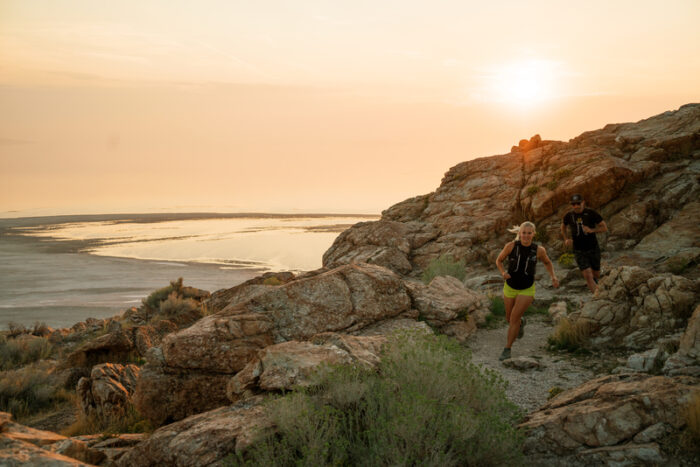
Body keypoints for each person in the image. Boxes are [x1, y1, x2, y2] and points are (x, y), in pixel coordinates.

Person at [495, 221, 559, 361]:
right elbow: (499, 261)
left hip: (527, 289)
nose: (526, 236)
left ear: (533, 234)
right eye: (523, 233)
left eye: (529, 233)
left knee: (513, 319)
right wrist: (503, 272)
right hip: (510, 286)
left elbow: (547, 262)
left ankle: (507, 348)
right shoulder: (511, 246)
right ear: (519, 233)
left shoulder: (539, 250)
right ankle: (521, 323)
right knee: (509, 318)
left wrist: (553, 277)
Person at [560, 194, 608, 293]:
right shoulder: (569, 215)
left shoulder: (591, 213)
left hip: (593, 248)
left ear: (583, 202)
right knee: (588, 276)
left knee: (596, 274)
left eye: (578, 203)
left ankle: (598, 288)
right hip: (579, 250)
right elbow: (563, 227)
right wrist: (566, 239)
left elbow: (604, 227)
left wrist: (591, 230)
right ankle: (597, 297)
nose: (576, 206)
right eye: (573, 204)